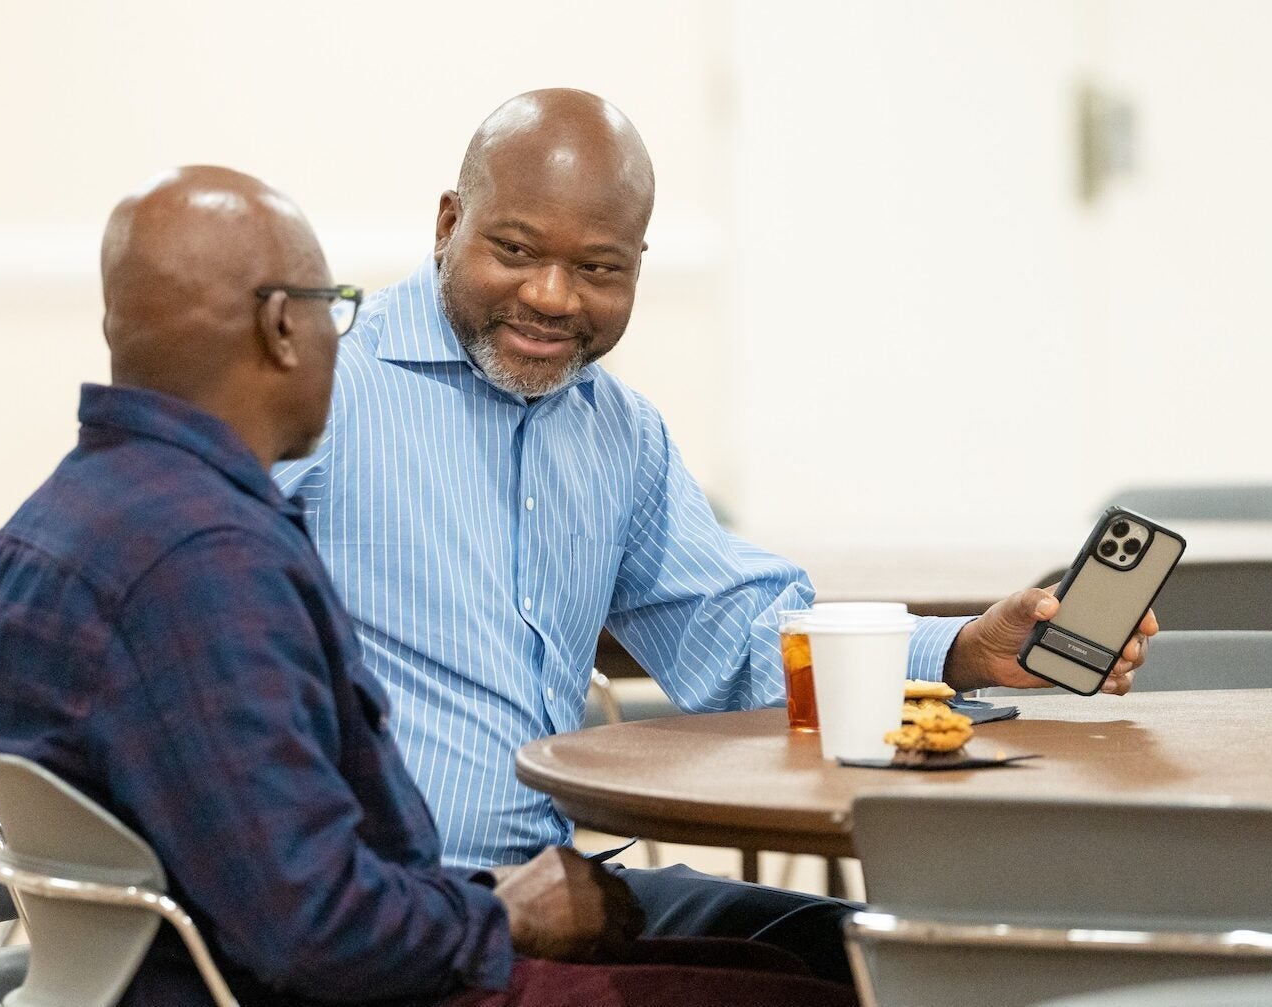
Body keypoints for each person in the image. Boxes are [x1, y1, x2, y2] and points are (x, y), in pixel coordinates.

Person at [274, 89, 1159, 979]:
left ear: (639, 266)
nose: (552, 296)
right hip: (402, 917)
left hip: (560, 886)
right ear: (448, 223)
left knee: (876, 954)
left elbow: (737, 645)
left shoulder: (619, 432)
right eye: (515, 251)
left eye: (600, 267)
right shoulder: (321, 396)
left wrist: (963, 652)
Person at [0, 166, 854, 1006]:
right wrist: (512, 914)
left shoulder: (59, 519)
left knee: (796, 953)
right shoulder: (206, 563)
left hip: (201, 961)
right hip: (315, 983)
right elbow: (316, 929)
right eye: (331, 308)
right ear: (282, 327)